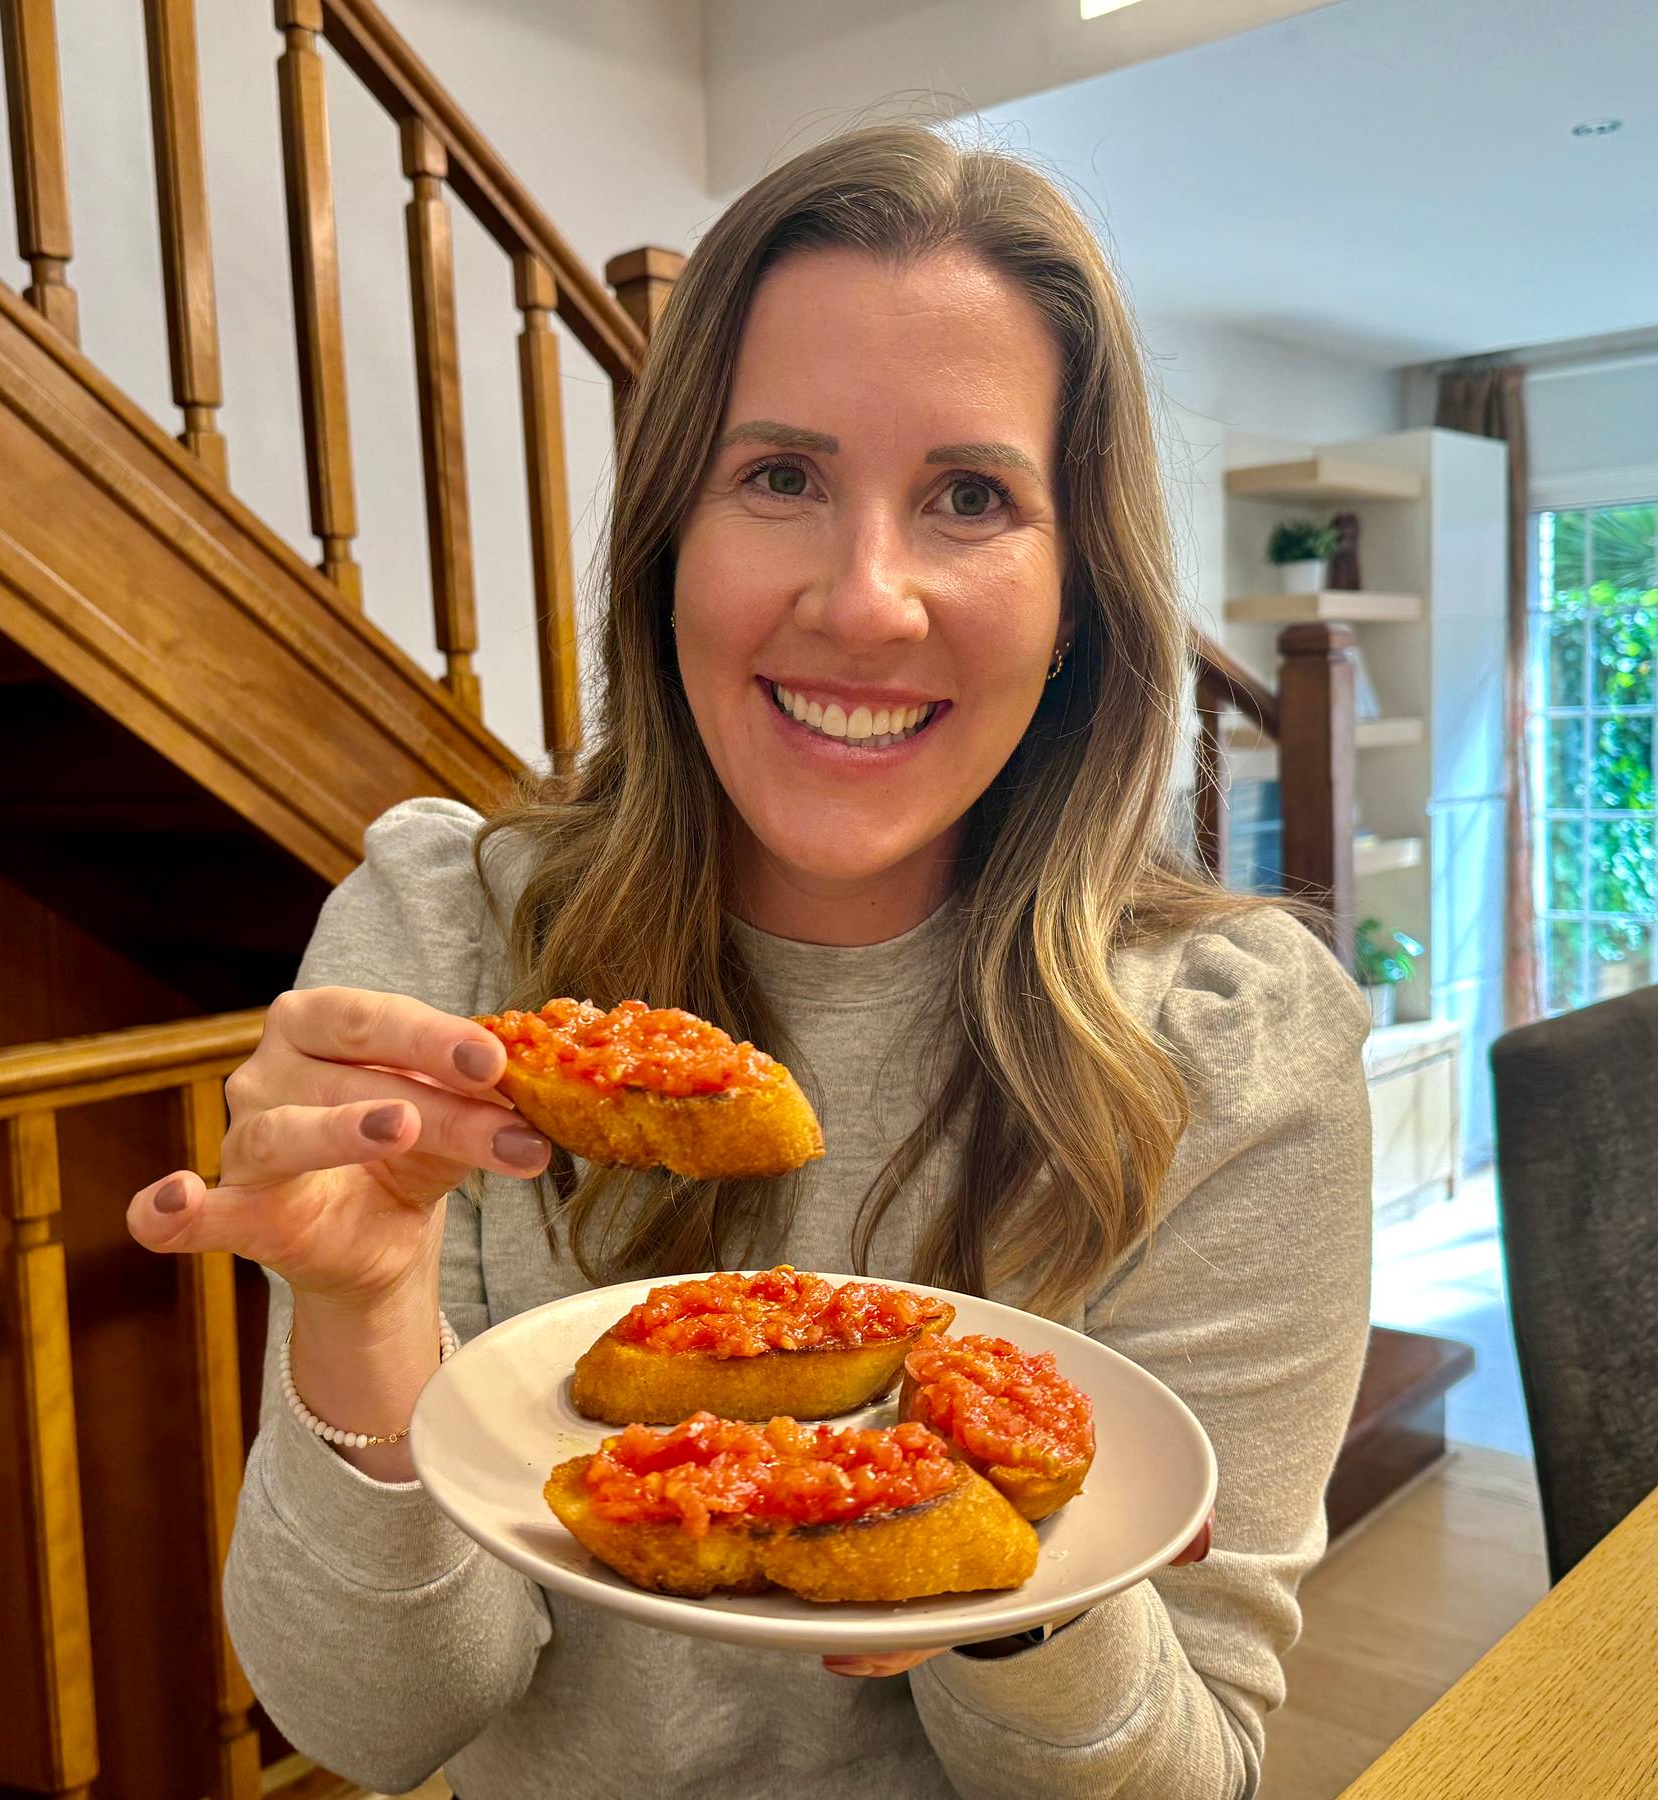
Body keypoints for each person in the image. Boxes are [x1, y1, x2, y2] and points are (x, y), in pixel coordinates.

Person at [126, 122, 1370, 1800]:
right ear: (669, 543)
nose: (866, 601)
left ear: (1082, 590)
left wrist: (1007, 1581)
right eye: (778, 476)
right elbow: (372, 1722)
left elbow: (1191, 1774)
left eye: (972, 497)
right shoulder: (449, 948)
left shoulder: (1232, 1046)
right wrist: (360, 1318)